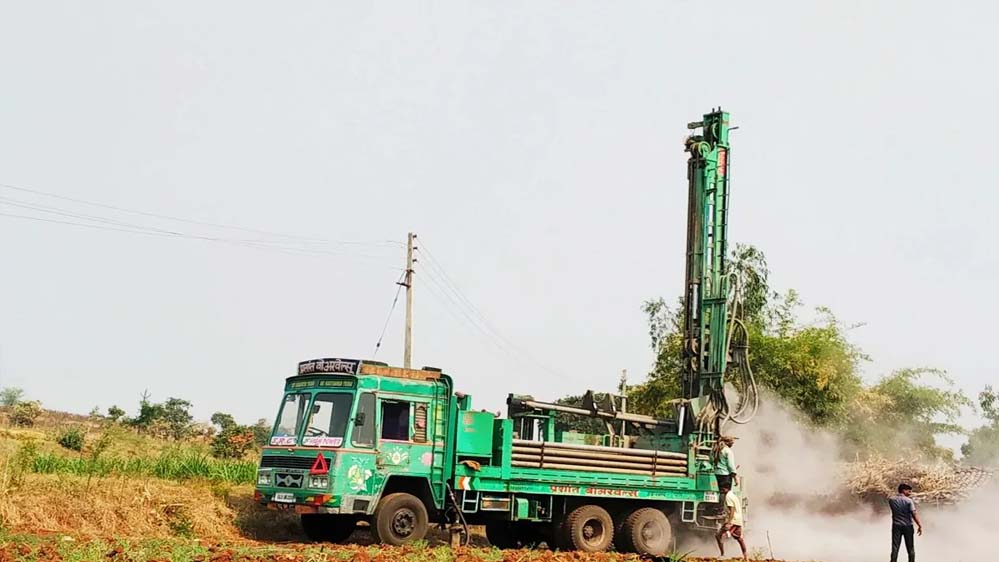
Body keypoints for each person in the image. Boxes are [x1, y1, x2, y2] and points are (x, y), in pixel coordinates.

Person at [888, 483, 923, 562]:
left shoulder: (891, 500)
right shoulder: (908, 501)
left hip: (896, 526)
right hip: (908, 526)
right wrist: (919, 525)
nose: (910, 493)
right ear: (903, 490)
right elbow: (914, 513)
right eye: (909, 491)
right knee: (910, 548)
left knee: (895, 547)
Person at [715, 482, 747, 561]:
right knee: (739, 539)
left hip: (733, 520)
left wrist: (729, 522)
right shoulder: (733, 495)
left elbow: (732, 510)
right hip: (738, 520)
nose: (721, 490)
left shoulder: (728, 497)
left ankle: (723, 555)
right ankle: (746, 557)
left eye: (722, 488)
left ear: (725, 488)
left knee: (719, 535)